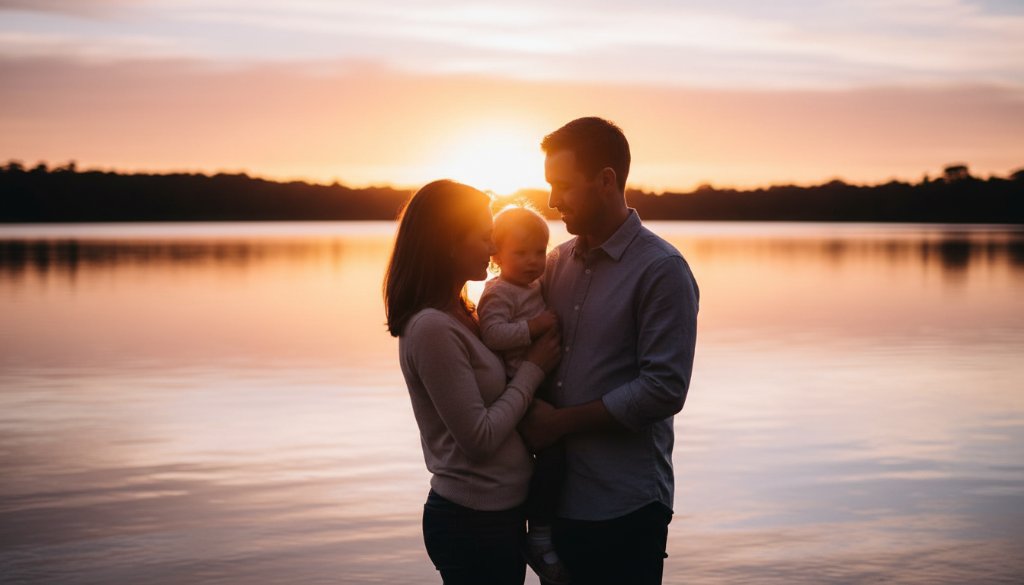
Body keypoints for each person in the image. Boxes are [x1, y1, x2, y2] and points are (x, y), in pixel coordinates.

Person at [519, 117, 700, 585]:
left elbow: (664, 389)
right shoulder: (554, 264)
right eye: (549, 187)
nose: (553, 201)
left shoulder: (662, 270)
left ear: (606, 180)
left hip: (628, 506)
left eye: (562, 186)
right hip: (558, 504)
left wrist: (560, 422)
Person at [384, 179, 561, 585]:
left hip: (497, 517)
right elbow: (477, 438)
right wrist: (534, 369)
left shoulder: (465, 313)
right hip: (472, 523)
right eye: (484, 237)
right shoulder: (432, 329)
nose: (492, 247)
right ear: (449, 243)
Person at [476, 205, 569, 584]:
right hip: (520, 385)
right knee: (552, 456)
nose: (533, 261)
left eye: (539, 252)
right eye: (521, 253)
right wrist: (534, 327)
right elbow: (493, 334)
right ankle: (540, 533)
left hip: (540, 380)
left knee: (559, 456)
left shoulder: (534, 285)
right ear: (496, 257)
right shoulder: (497, 293)